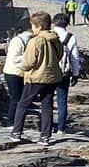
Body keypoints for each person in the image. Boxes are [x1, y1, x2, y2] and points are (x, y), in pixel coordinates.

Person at [9, 12, 64, 145]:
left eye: (32, 26)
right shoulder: (55, 38)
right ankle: (45, 136)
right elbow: (60, 55)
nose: (32, 29)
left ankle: (16, 132)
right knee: (47, 105)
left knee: (23, 104)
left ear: (38, 26)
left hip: (36, 77)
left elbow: (28, 62)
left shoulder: (36, 41)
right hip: (52, 77)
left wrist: (22, 67)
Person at [51, 13, 81, 136]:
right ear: (67, 24)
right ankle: (61, 128)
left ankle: (46, 126)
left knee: (47, 100)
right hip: (63, 72)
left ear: (54, 22)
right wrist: (75, 74)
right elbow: (74, 58)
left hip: (49, 72)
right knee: (62, 101)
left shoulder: (49, 35)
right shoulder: (70, 37)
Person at [2, 22, 33, 126]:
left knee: (19, 98)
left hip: (18, 72)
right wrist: (28, 57)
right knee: (15, 98)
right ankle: (11, 122)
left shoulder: (21, 40)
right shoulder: (18, 41)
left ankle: (15, 121)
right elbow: (14, 58)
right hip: (13, 72)